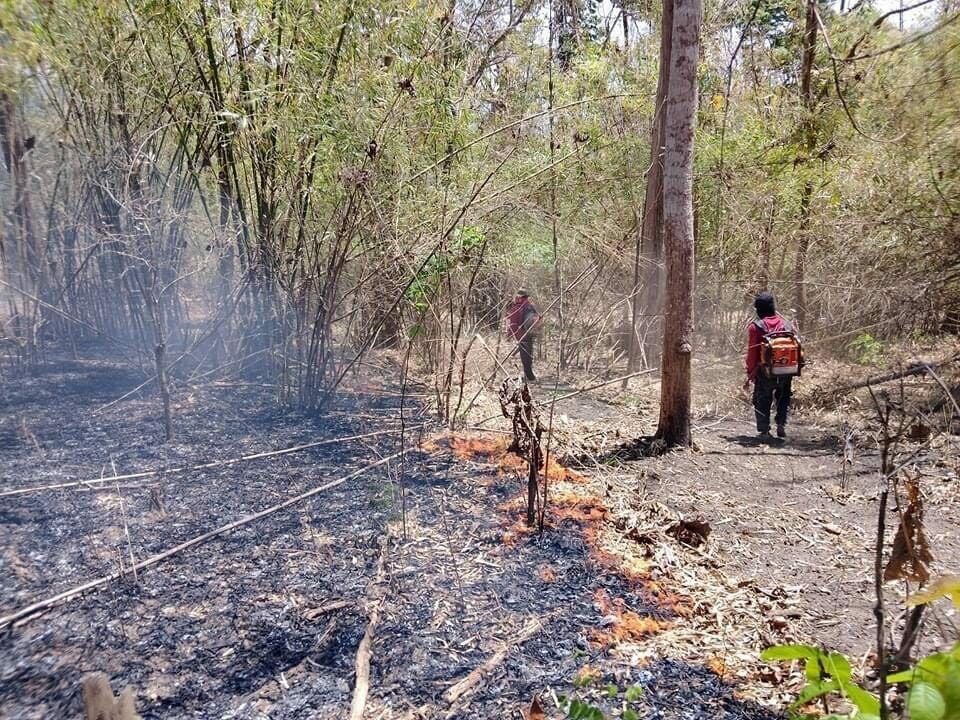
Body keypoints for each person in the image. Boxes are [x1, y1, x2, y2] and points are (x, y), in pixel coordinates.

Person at [743, 291, 798, 439]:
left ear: (759, 309)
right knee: (784, 397)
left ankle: (764, 430)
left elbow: (752, 354)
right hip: (787, 370)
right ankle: (781, 424)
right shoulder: (787, 324)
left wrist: (750, 373)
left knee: (762, 399)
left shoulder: (756, 327)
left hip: (765, 371)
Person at [506, 288, 539, 382]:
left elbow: (513, 323)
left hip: (521, 335)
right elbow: (538, 319)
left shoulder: (517, 308)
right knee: (529, 355)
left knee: (525, 356)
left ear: (519, 297)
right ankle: (528, 375)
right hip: (530, 333)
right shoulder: (531, 306)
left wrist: (509, 335)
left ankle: (530, 377)